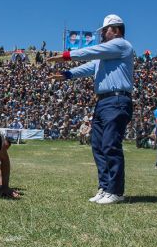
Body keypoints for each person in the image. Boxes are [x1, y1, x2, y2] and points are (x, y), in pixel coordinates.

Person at [47, 14, 133, 204]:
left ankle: (116, 191)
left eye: (105, 30)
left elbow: (92, 52)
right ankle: (105, 187)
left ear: (116, 30)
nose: (102, 34)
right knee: (98, 146)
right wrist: (66, 75)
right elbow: (89, 67)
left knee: (110, 145)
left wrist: (67, 56)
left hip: (116, 100)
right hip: (104, 102)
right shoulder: (106, 55)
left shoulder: (121, 45)